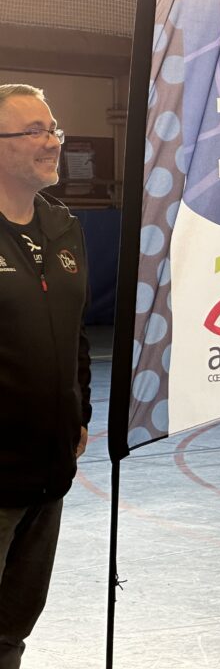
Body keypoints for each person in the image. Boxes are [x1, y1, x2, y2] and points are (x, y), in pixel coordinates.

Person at [0, 84, 91, 668]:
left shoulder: (63, 229)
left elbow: (76, 331)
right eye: (33, 130)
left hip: (49, 467)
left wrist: (79, 414)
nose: (51, 140)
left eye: (53, 127)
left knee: (12, 629)